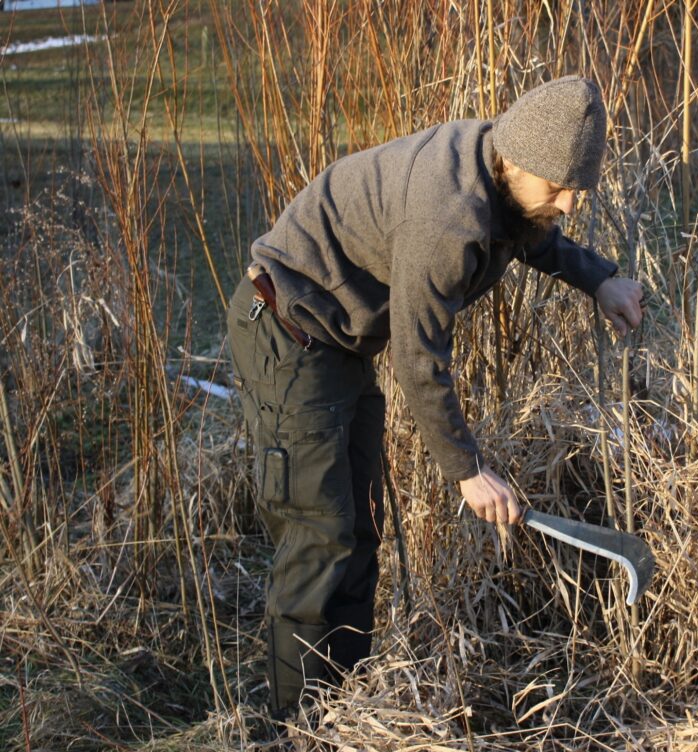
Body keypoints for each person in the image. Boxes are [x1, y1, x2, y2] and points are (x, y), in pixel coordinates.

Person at [226, 76, 644, 717]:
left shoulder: (499, 174)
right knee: (320, 537)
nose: (568, 204)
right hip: (289, 335)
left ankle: (338, 710)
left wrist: (599, 280)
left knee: (357, 529)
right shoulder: (445, 217)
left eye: (576, 189)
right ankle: (291, 738)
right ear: (517, 157)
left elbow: (533, 229)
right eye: (558, 188)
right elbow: (419, 357)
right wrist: (467, 471)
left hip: (338, 346)